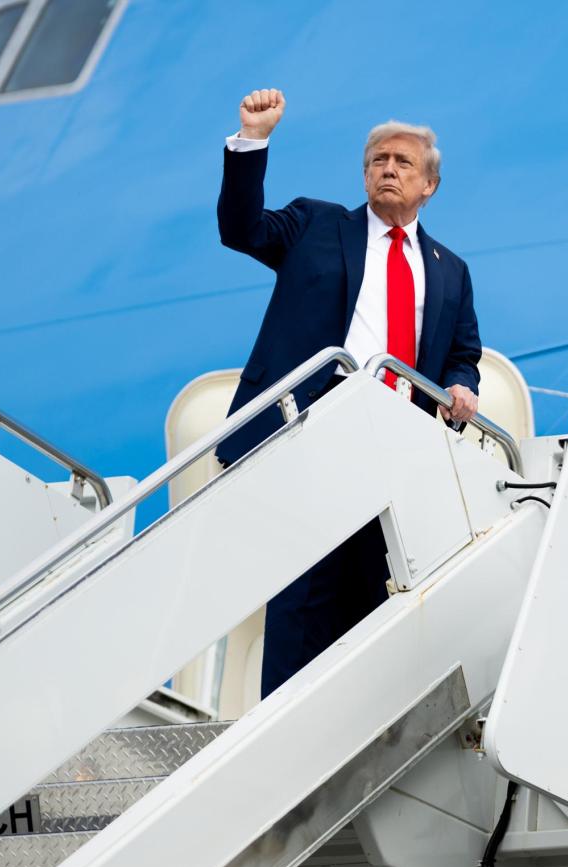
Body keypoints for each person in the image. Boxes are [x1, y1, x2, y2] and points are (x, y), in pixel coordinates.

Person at [214, 88, 483, 696]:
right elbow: (241, 229)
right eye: (377, 161)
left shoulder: (450, 269)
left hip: (398, 441)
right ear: (364, 175)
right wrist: (253, 140)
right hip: (316, 424)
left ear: (429, 186)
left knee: (376, 596)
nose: (388, 169)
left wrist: (462, 385)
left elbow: (463, 353)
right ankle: (283, 727)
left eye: (403, 162)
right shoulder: (315, 223)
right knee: (304, 591)